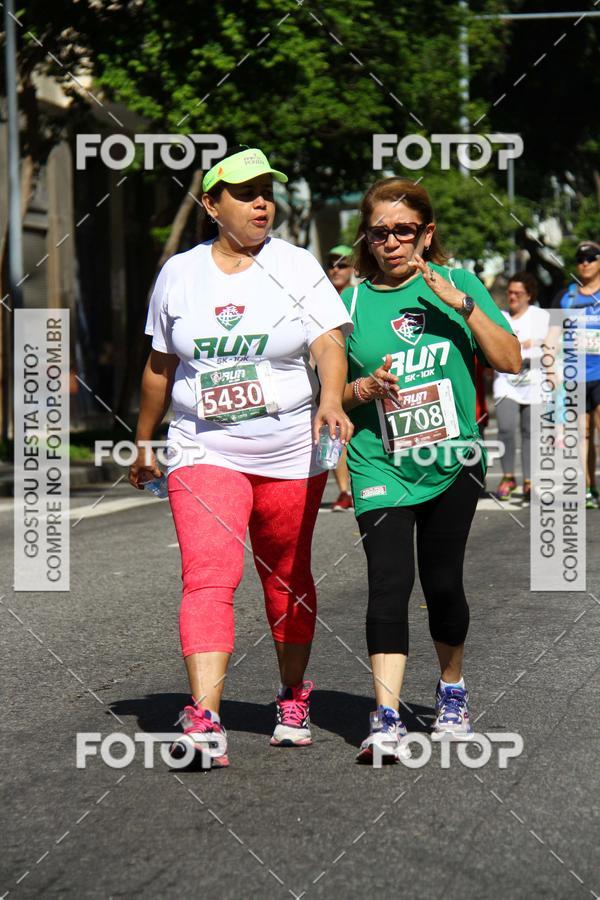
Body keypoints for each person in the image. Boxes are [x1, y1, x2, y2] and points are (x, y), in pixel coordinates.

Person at [129, 146, 353, 768]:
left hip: (289, 450)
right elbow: (160, 364)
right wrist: (146, 439)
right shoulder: (179, 272)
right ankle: (205, 718)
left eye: (267, 191)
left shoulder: (297, 264)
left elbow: (329, 342)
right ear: (211, 204)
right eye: (246, 192)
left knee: (285, 577)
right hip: (204, 445)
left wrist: (330, 398)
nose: (262, 202)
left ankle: (291, 694)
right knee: (208, 573)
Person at [340, 177, 521, 762]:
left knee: (443, 582)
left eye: (403, 231)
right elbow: (327, 394)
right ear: (366, 236)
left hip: (451, 460)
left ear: (427, 233)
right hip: (380, 463)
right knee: (389, 582)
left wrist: (462, 306)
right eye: (379, 232)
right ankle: (386, 715)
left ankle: (451, 690)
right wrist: (360, 388)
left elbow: (510, 359)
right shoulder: (349, 303)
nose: (390, 242)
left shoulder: (460, 284)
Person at [492, 273, 550, 504]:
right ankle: (508, 477)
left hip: (535, 381)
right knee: (505, 428)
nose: (512, 297)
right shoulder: (500, 317)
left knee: (530, 432)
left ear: (530, 295)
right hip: (506, 382)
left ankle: (530, 481)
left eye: (518, 293)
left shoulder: (540, 316)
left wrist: (532, 346)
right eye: (510, 292)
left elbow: (548, 347)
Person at [552, 240, 600, 509]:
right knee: (583, 436)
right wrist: (550, 370)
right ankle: (588, 488)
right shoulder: (565, 297)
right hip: (575, 377)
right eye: (581, 258)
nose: (585, 262)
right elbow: (551, 337)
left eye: (591, 258)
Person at [326, 244, 355, 511]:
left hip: (360, 375)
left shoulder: (359, 296)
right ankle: (344, 491)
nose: (335, 269)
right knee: (336, 432)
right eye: (332, 263)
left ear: (354, 268)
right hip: (331, 377)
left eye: (342, 264)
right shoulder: (322, 297)